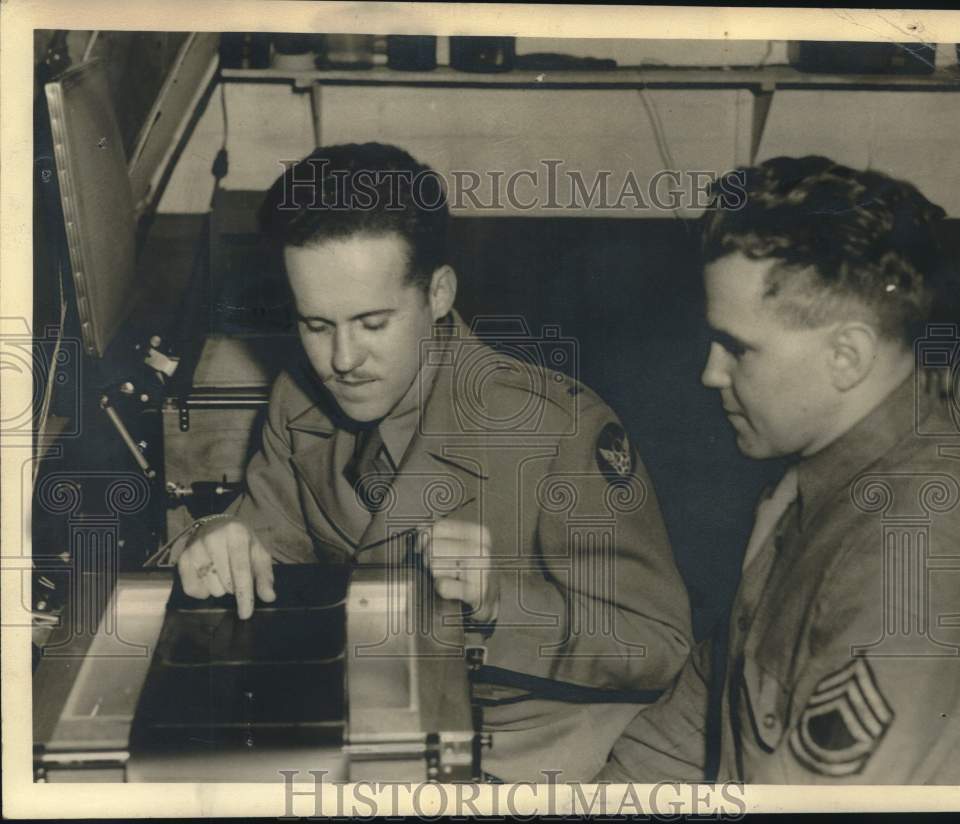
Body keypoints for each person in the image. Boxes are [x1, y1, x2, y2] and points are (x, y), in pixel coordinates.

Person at [172, 142, 693, 782]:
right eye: (315, 324)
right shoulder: (297, 402)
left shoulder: (557, 428)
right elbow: (270, 547)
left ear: (439, 292)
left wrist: (503, 603)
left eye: (372, 323)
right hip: (369, 726)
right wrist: (213, 542)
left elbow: (661, 647)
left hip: (530, 756)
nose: (341, 359)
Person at [597, 156, 960, 784]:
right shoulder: (809, 489)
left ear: (846, 356)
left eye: (738, 347)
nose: (711, 373)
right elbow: (682, 734)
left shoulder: (914, 546)